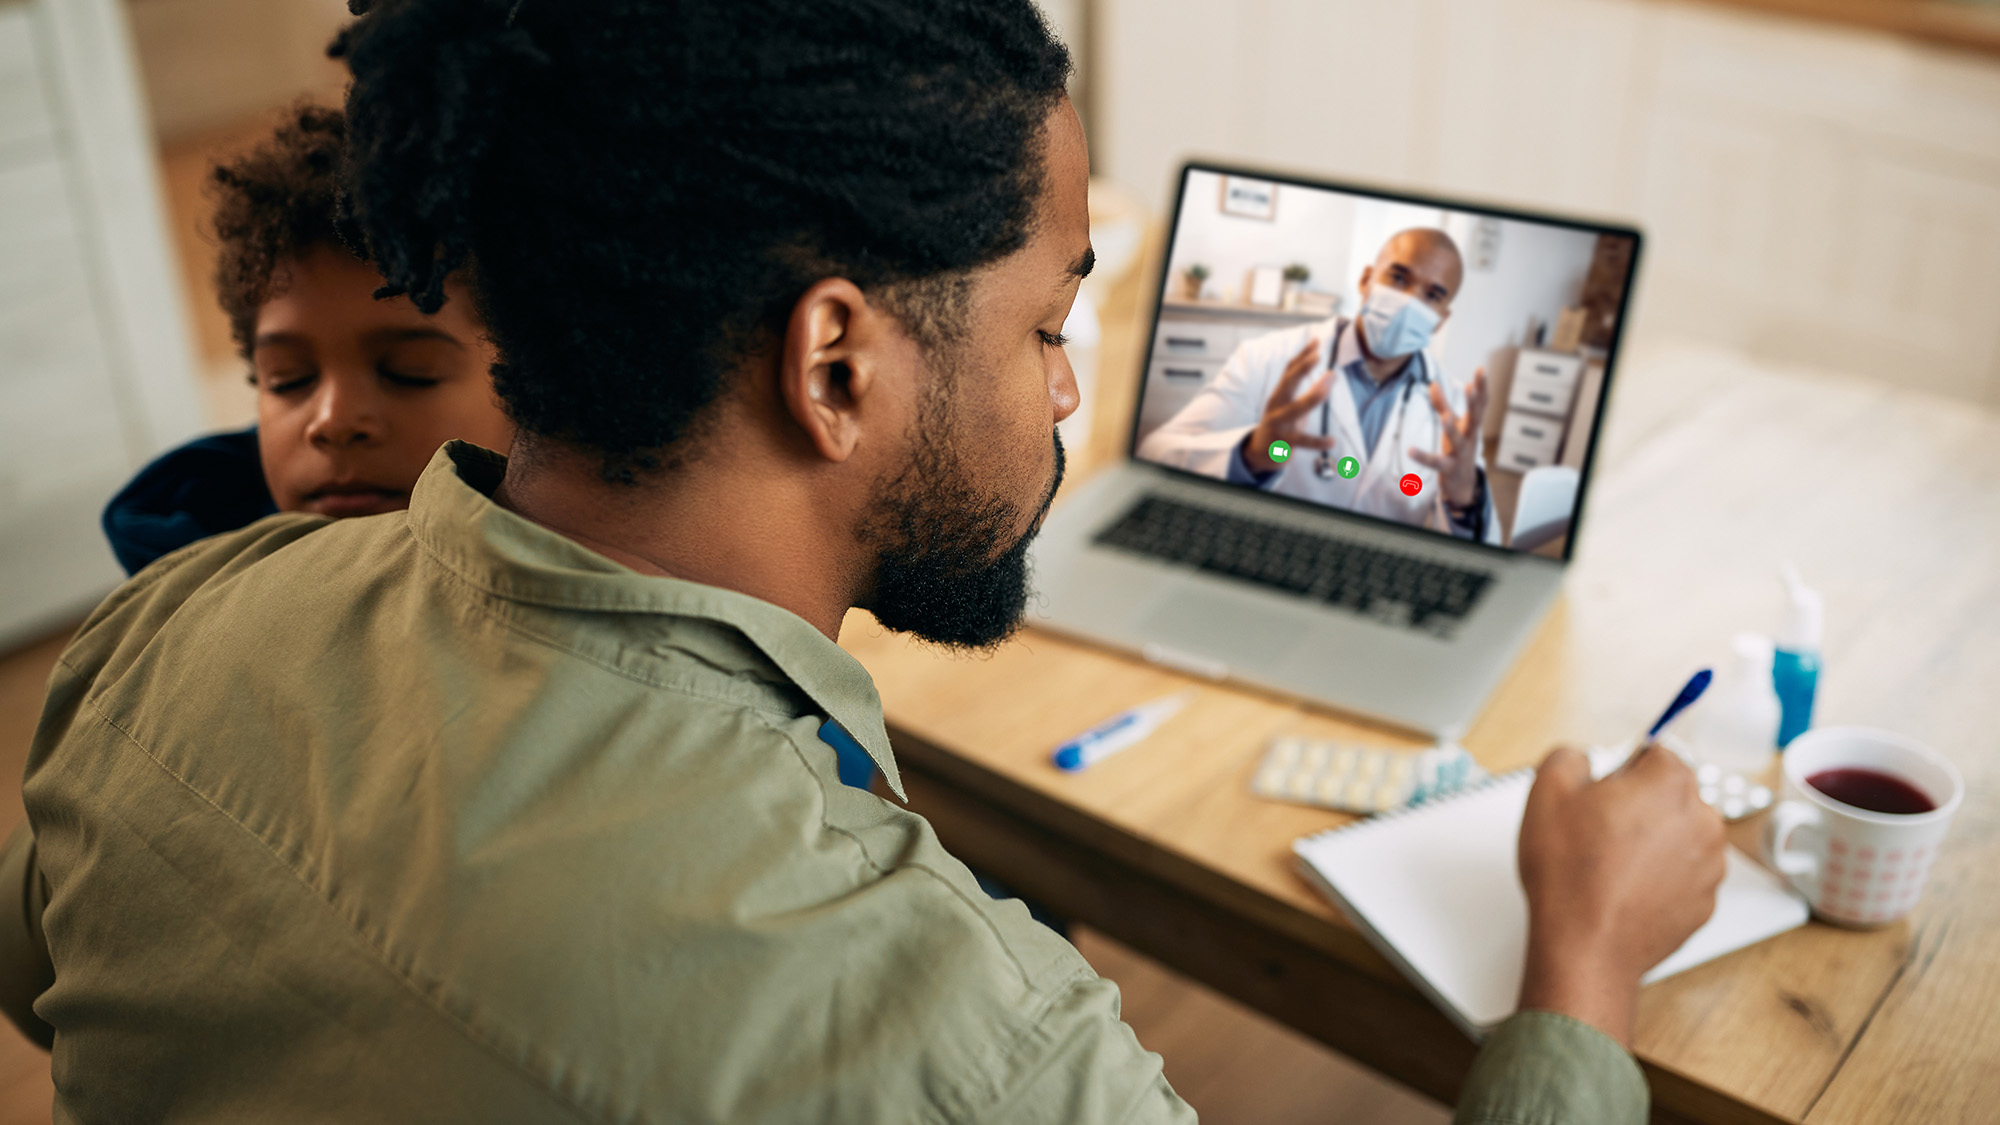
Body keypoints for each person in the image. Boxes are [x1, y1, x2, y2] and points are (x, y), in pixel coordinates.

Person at [0, 1, 1724, 1121]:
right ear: (837, 364)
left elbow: (55, 964)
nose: (1067, 388)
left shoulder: (169, 633)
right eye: (1049, 320)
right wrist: (1580, 962)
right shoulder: (976, 1060)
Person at [99, 104, 513, 575]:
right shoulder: (178, 597)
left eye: (408, 373)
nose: (332, 420)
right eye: (287, 379)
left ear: (534, 390)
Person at [1139, 228, 1501, 543]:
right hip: (1267, 548)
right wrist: (1249, 456)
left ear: (1441, 320)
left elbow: (1482, 547)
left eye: (1432, 295)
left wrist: (1465, 503)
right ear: (1365, 281)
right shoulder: (1269, 357)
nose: (1409, 303)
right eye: (1399, 279)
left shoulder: (1454, 407)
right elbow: (1156, 452)